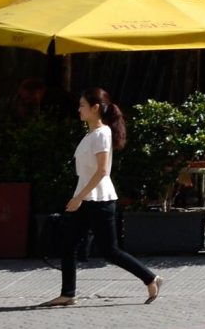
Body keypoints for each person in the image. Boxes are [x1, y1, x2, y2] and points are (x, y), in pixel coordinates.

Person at [41, 89, 161, 307]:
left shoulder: (101, 134)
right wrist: (80, 198)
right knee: (68, 245)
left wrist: (79, 197)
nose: (79, 109)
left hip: (100, 201)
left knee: (110, 251)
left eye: (82, 105)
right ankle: (67, 294)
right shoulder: (90, 134)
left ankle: (151, 278)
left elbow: (102, 170)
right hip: (87, 199)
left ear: (95, 108)